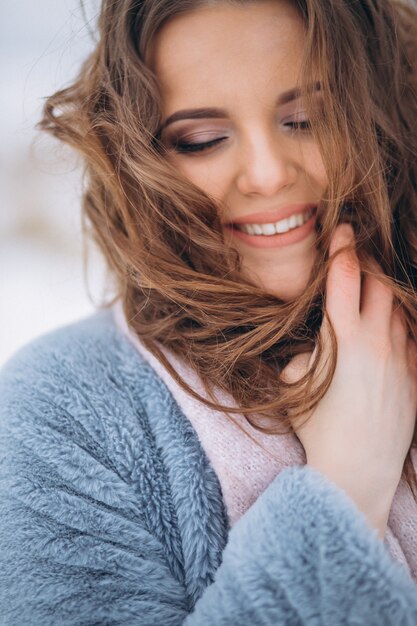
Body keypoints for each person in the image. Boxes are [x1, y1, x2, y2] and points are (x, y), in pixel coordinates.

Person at [1, 0, 417, 623]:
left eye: (308, 118)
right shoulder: (60, 414)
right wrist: (346, 490)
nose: (269, 174)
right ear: (139, 162)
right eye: (203, 139)